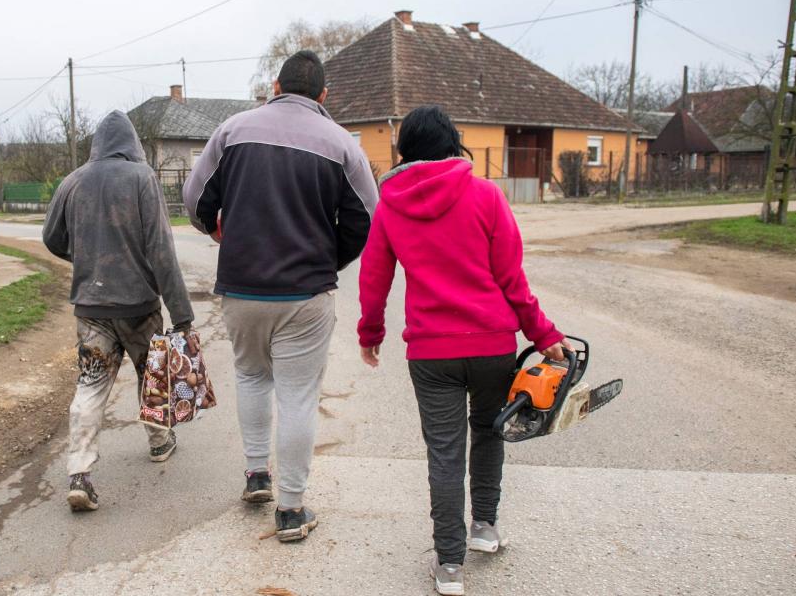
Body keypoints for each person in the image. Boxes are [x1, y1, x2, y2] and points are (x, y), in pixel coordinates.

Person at [356, 105, 571, 595]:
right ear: (454, 143)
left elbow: (374, 278)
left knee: (445, 452)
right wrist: (544, 336)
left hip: (431, 355)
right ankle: (485, 529)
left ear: (404, 150)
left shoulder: (391, 204)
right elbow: (512, 280)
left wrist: (371, 335)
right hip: (493, 345)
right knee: (489, 433)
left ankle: (449, 564)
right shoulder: (486, 194)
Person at [183, 50, 378, 542]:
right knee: (297, 396)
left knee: (250, 377)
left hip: (241, 286)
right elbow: (367, 220)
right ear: (324, 96)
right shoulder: (341, 144)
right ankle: (291, 510)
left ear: (275, 85)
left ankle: (256, 475)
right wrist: (328, 259)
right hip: (305, 293)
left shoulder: (233, 130)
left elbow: (195, 197)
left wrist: (214, 229)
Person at [43, 110, 194, 513]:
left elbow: (51, 237)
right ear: (132, 145)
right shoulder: (142, 178)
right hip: (139, 308)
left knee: (91, 385)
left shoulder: (73, 181)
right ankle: (160, 441)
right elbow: (162, 251)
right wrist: (181, 313)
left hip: (91, 308)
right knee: (151, 376)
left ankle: (79, 474)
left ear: (96, 144)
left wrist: (83, 256)